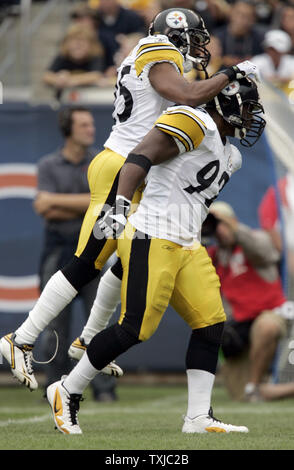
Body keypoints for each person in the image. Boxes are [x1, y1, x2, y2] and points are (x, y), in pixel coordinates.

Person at [0, 7, 258, 391]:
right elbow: (186, 93)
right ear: (176, 34)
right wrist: (229, 72)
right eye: (194, 38)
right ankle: (20, 338)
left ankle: (88, 339)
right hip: (123, 167)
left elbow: (182, 93)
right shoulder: (157, 49)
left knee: (127, 255)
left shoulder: (155, 55)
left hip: (130, 169)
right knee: (88, 262)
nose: (199, 47)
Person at [46, 76, 266, 435]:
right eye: (246, 106)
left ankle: (197, 417)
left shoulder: (232, 154)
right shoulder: (197, 121)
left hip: (187, 242)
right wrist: (119, 204)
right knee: (134, 328)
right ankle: (66, 390)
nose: (250, 115)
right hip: (153, 233)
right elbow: (140, 156)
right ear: (224, 102)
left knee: (211, 324)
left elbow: (190, 193)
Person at [33, 106, 117, 401]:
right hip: (59, 252)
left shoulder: (100, 161)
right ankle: (54, 387)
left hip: (95, 253)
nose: (91, 130)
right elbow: (42, 207)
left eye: (91, 124)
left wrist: (59, 202)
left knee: (99, 324)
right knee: (55, 326)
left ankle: (104, 390)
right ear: (68, 129)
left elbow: (108, 202)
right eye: (84, 125)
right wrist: (91, 202)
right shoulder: (48, 165)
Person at [205, 201, 294, 402]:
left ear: (232, 222)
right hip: (239, 327)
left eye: (220, 224)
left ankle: (254, 385)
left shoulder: (256, 239)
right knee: (240, 396)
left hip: (270, 314)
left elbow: (261, 249)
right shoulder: (213, 256)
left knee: (266, 326)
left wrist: (229, 224)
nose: (218, 231)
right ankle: (259, 390)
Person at [43, 24, 109, 101]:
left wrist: (70, 80)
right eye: (74, 42)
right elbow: (46, 76)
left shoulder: (95, 56)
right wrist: (58, 79)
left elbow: (96, 75)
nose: (78, 45)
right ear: (67, 44)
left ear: (91, 45)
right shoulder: (63, 56)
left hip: (90, 100)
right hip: (64, 100)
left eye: (82, 42)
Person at [214, 1, 265, 67]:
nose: (243, 20)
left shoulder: (259, 39)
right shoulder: (217, 37)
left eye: (248, 16)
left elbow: (264, 61)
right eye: (239, 14)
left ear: (254, 19)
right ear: (231, 13)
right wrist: (222, 60)